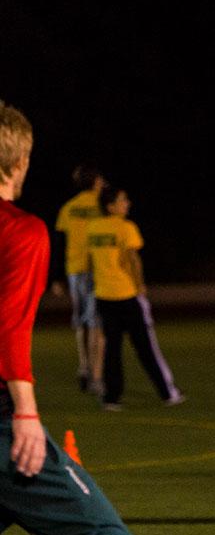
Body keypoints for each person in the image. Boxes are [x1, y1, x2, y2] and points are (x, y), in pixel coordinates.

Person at [0, 100, 138, 535]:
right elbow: (9, 329)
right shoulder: (21, 230)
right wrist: (25, 411)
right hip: (2, 422)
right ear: (21, 161)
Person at [88, 185, 184, 410]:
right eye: (122, 200)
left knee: (112, 348)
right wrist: (140, 285)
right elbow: (132, 259)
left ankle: (111, 398)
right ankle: (168, 393)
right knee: (145, 347)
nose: (127, 203)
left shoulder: (93, 228)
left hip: (103, 295)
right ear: (110, 206)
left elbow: (91, 261)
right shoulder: (126, 227)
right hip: (126, 295)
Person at [55, 163, 106, 394]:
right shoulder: (103, 206)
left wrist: (57, 277)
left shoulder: (68, 207)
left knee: (80, 322)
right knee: (96, 322)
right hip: (96, 269)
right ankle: (96, 377)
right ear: (95, 182)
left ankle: (84, 366)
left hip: (73, 269)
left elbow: (59, 243)